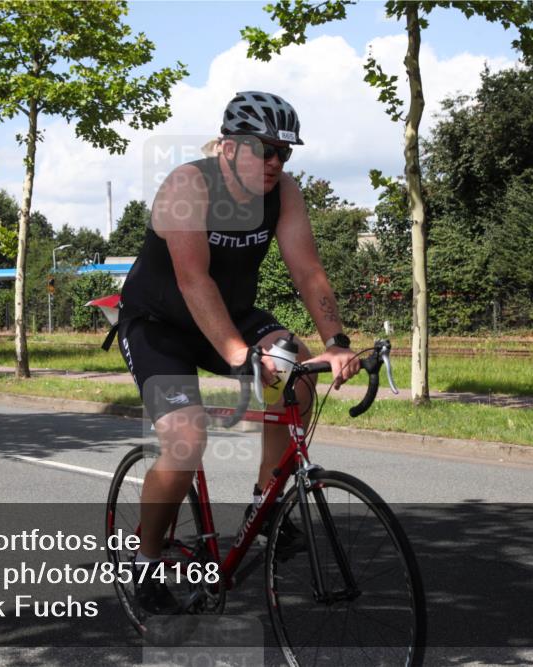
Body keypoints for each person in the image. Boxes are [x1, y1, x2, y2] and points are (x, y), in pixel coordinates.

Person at [115, 91, 361, 613]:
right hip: (160, 322)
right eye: (263, 149)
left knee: (295, 373)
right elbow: (192, 278)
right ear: (228, 147)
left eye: (284, 153)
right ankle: (146, 558)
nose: (274, 162)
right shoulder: (188, 184)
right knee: (185, 438)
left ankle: (266, 505)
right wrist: (237, 354)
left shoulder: (284, 192)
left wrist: (336, 343)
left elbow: (308, 269)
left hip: (228, 311)